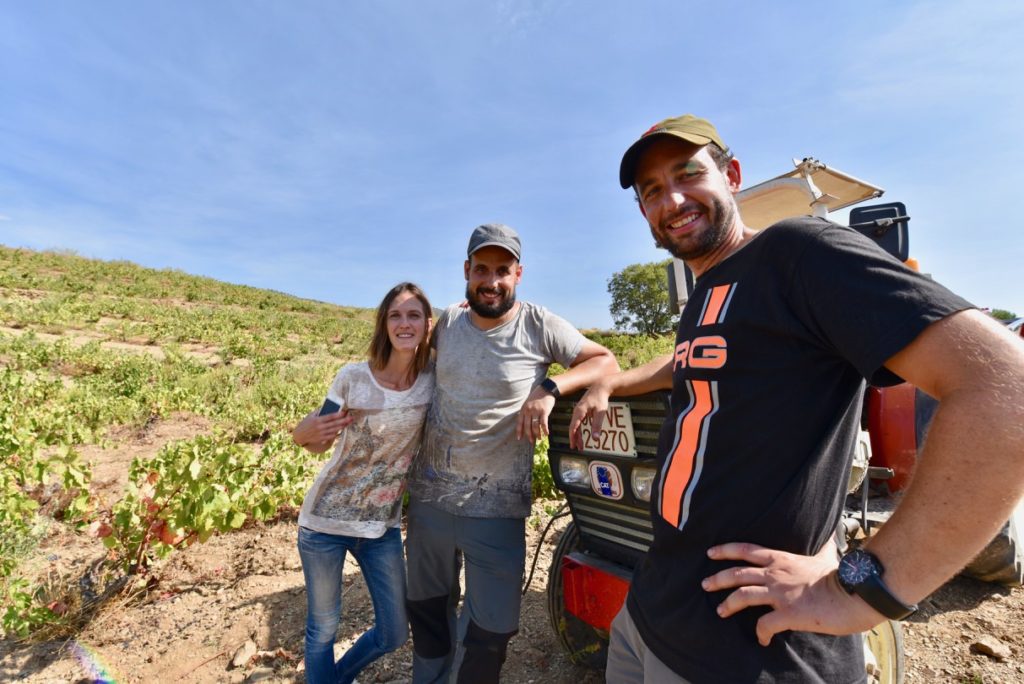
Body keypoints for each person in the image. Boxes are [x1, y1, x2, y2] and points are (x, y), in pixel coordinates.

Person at [569, 114, 1024, 682]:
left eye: (689, 175)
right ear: (643, 212)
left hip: (746, 650)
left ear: (731, 175)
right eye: (653, 191)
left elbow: (1008, 389)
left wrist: (863, 587)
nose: (674, 199)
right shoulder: (709, 290)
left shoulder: (799, 252)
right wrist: (613, 379)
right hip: (650, 613)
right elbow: (693, 361)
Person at [404, 223, 619, 683]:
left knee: (491, 630)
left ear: (518, 274)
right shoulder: (445, 323)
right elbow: (396, 360)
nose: (492, 280)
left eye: (502, 270)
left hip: (497, 506)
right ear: (466, 271)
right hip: (430, 500)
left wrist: (549, 387)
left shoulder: (540, 324)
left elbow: (604, 360)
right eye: (482, 269)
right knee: (426, 611)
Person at [291, 282, 435, 684]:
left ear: (427, 325)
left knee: (393, 633)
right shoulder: (353, 378)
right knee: (322, 629)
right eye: (395, 315)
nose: (404, 323)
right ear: (383, 324)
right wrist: (301, 432)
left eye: (413, 315)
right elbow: (315, 442)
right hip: (324, 525)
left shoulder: (431, 379)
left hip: (380, 528)